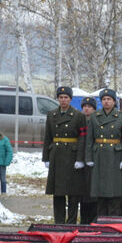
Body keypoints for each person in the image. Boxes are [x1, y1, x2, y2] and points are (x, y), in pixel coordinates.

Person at [43, 86, 87, 223]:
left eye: (66, 97)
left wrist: (80, 158)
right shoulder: (51, 115)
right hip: (56, 155)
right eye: (61, 97)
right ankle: (59, 221)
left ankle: (71, 221)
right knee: (58, 192)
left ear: (70, 99)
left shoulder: (78, 116)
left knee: (73, 192)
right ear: (57, 99)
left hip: (72, 156)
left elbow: (82, 138)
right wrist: (46, 157)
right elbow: (47, 137)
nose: (63, 100)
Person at [84, 89, 122, 218]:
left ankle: (113, 221)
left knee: (114, 193)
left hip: (115, 156)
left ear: (114, 101)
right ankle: (101, 220)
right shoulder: (95, 116)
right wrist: (89, 157)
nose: (106, 101)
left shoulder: (121, 117)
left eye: (109, 99)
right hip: (99, 155)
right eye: (104, 99)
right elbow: (89, 139)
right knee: (101, 193)